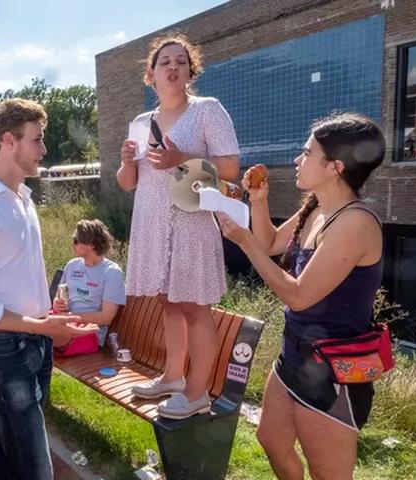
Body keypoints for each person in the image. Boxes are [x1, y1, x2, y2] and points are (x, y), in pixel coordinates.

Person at [216, 113, 386, 480]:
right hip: (294, 356)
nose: (297, 159)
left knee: (328, 474)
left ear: (335, 167)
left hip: (332, 373)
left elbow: (298, 296)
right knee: (272, 440)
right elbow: (271, 243)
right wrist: (258, 201)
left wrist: (243, 242)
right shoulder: (316, 208)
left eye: (307, 153)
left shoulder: (355, 222)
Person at [0, 98, 96, 480]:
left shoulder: (21, 199)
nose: (44, 149)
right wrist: (45, 327)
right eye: (37, 140)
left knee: (11, 457)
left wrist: (48, 319)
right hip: (0, 351)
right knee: (35, 468)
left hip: (31, 342)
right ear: (8, 141)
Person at [117, 34, 240, 419]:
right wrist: (124, 162)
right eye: (164, 62)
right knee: (167, 301)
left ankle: (197, 391)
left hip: (190, 223)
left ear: (190, 72)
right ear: (150, 74)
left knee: (194, 306)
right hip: (151, 224)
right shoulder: (140, 123)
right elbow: (128, 182)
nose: (173, 67)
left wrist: (180, 157)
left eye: (181, 62)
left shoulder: (208, 110)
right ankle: (172, 376)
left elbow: (232, 170)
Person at [52, 219, 126, 350]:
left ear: (91, 245)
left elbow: (106, 317)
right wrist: (57, 303)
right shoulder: (72, 265)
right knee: (34, 324)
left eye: (76, 241)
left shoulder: (111, 272)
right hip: (66, 326)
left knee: (40, 335)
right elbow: (59, 300)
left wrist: (70, 319)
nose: (72, 244)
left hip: (89, 333)